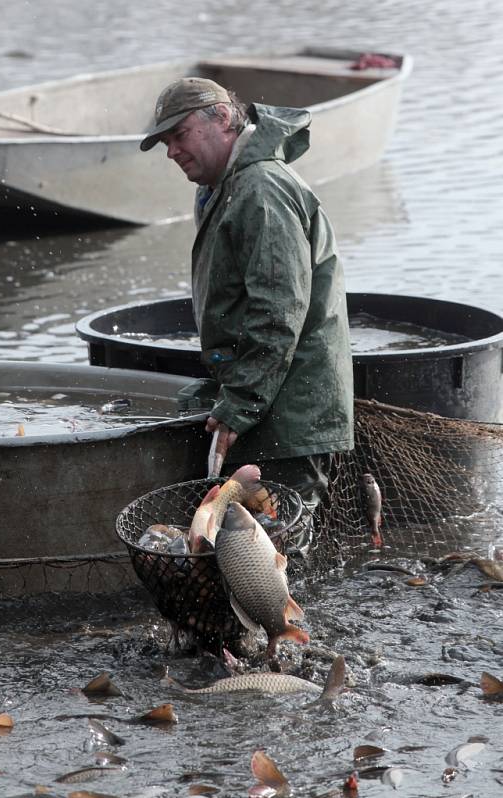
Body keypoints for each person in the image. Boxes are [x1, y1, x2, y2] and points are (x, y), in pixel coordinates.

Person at [140, 77, 354, 526]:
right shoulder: (228, 185)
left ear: (222, 117)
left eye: (179, 136)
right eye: (165, 142)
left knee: (274, 549)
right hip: (266, 401)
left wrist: (240, 405)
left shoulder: (261, 189)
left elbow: (278, 314)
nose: (172, 151)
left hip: (291, 411)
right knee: (251, 545)